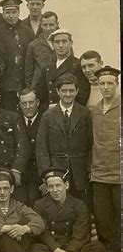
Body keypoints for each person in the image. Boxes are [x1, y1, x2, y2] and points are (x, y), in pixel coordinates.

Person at [36, 73, 93, 209]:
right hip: (56, 170)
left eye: (71, 90)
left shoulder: (85, 113)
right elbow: (41, 147)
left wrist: (89, 168)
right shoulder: (48, 115)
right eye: (64, 91)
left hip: (79, 171)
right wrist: (47, 174)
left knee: (81, 207)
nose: (68, 94)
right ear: (57, 91)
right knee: (58, 207)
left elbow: (91, 144)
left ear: (77, 91)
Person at [31, 168, 107, 252]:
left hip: (73, 246)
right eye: (51, 186)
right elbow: (42, 231)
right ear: (47, 188)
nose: (55, 190)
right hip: (52, 247)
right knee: (35, 249)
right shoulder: (40, 204)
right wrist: (56, 249)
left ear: (66, 185)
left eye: (58, 185)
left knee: (98, 247)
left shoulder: (79, 204)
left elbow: (80, 232)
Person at [90, 66, 121, 252]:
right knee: (103, 219)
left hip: (119, 175)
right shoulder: (94, 110)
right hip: (99, 174)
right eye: (102, 83)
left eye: (110, 83)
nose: (106, 87)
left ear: (117, 85)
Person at [31, 29, 90, 109]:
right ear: (52, 45)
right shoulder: (47, 67)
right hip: (50, 112)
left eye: (64, 41)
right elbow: (39, 91)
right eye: (57, 42)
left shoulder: (77, 65)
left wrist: (61, 107)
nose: (60, 45)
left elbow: (83, 94)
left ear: (71, 43)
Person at [0, 0, 35, 112]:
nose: (11, 16)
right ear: (3, 13)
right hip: (6, 84)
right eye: (7, 12)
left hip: (24, 82)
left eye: (14, 12)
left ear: (19, 12)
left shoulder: (27, 31)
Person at [18, 88, 44, 206]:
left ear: (37, 102)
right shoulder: (15, 120)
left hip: (39, 173)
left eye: (31, 102)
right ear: (20, 105)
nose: (28, 106)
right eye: (24, 103)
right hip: (21, 174)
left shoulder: (45, 119)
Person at [25, 11, 59, 96]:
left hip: (59, 86)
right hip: (40, 88)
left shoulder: (64, 42)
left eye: (51, 25)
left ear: (57, 24)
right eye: (45, 25)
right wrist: (30, 89)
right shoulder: (34, 45)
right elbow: (29, 71)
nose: (48, 28)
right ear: (41, 25)